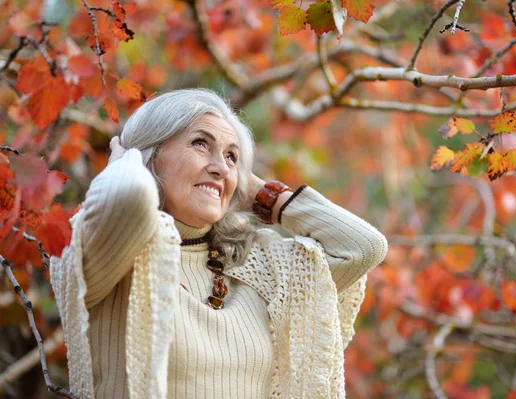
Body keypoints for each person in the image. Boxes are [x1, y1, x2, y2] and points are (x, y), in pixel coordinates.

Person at [50, 89, 388, 399]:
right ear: (150, 156)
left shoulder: (260, 265)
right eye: (200, 143)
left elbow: (362, 247)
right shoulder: (111, 254)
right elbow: (130, 200)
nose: (220, 168)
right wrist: (126, 161)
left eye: (231, 157)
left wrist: (259, 192)